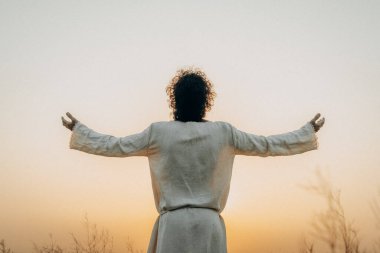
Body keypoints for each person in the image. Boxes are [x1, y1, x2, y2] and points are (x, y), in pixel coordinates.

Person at [61, 67, 325, 253]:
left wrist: (80, 131)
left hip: (173, 227)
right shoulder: (224, 133)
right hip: (208, 228)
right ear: (205, 101)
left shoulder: (158, 133)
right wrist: (306, 133)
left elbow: (115, 146)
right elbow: (268, 145)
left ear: (174, 99)